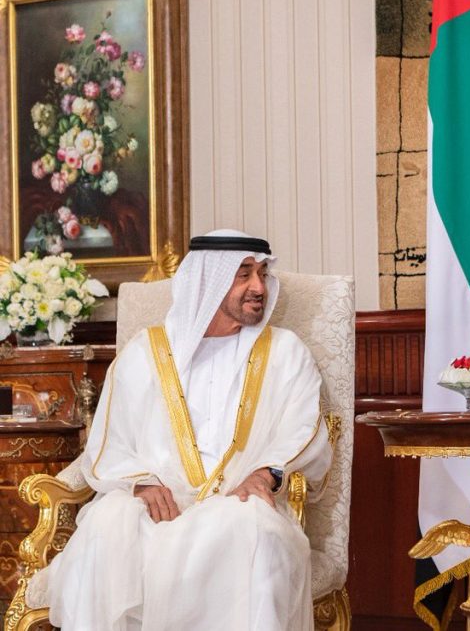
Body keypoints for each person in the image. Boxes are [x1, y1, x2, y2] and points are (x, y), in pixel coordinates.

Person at [40, 230, 332, 631]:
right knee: (108, 523)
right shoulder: (145, 353)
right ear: (208, 280)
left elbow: (305, 428)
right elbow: (110, 438)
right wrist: (140, 481)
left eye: (262, 274)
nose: (259, 287)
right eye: (244, 274)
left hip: (237, 504)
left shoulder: (285, 352)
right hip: (162, 508)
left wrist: (267, 473)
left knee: (252, 530)